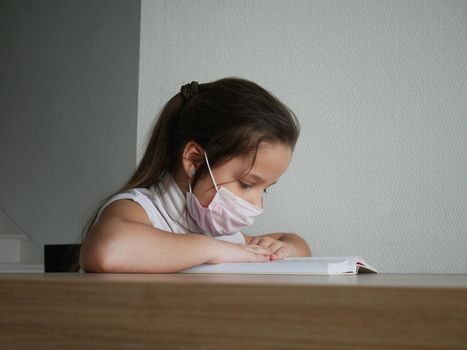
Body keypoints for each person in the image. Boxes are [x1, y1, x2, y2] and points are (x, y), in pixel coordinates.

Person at [79, 77, 311, 273]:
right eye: (247, 183)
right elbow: (107, 249)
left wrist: (285, 249)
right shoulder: (141, 209)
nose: (257, 204)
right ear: (195, 160)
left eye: (266, 189)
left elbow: (296, 244)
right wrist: (213, 249)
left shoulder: (219, 230)